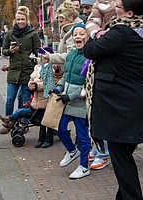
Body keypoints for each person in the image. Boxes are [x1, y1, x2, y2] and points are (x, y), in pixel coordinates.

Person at [83, 0, 143, 198]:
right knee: (122, 158)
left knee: (122, 160)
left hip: (121, 108)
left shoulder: (120, 33)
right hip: (134, 106)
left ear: (130, 13)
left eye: (118, 6)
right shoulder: (142, 28)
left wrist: (94, 31)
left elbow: (89, 51)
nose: (113, 8)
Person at [51, 23, 90, 179]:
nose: (78, 37)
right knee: (59, 127)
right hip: (66, 100)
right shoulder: (72, 55)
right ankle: (72, 151)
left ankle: (84, 166)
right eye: (75, 34)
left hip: (80, 102)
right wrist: (58, 88)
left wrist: (71, 96)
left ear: (88, 36)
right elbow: (66, 76)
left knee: (82, 136)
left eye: (81, 34)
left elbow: (87, 84)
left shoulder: (90, 56)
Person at [0, 47, 55, 148]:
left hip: (44, 101)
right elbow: (31, 79)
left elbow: (49, 84)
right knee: (28, 113)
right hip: (35, 101)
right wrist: (31, 85)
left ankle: (45, 139)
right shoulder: (37, 69)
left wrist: (36, 85)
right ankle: (11, 121)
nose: (37, 58)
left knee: (43, 122)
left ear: (46, 58)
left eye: (39, 57)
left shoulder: (49, 70)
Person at [0, 6, 40, 134]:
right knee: (10, 99)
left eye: (22, 19)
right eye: (18, 19)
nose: (20, 22)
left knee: (24, 99)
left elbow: (37, 52)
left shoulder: (33, 34)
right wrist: (10, 51)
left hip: (27, 72)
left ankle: (23, 123)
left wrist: (37, 67)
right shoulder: (10, 34)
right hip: (13, 71)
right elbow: (3, 51)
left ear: (27, 19)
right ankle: (8, 122)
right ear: (15, 20)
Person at [44, 3, 83, 67]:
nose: (60, 25)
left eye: (61, 21)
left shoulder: (75, 32)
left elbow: (71, 54)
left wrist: (52, 57)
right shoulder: (67, 31)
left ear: (71, 18)